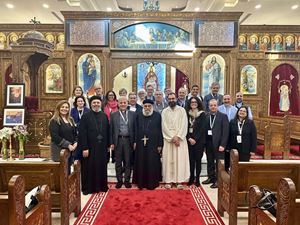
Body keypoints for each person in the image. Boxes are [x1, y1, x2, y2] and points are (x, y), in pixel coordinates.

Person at [78, 96, 109, 194]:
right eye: (94, 103)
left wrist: (108, 145)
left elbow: (107, 131)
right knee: (88, 167)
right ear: (91, 104)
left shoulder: (104, 116)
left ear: (101, 104)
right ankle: (88, 188)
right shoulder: (86, 116)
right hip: (89, 147)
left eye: (98, 102)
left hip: (102, 147)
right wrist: (85, 147)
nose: (96, 104)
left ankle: (102, 186)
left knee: (101, 166)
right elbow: (82, 133)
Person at [133, 99, 163, 190]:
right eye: (145, 106)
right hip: (140, 143)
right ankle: (141, 183)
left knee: (152, 162)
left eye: (149, 106)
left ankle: (152, 183)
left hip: (153, 144)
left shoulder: (157, 116)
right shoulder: (138, 115)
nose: (147, 108)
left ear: (152, 107)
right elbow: (135, 129)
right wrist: (134, 141)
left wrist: (160, 144)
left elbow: (160, 130)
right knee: (141, 162)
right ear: (143, 107)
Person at [161, 93, 190, 189]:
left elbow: (184, 124)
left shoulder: (182, 110)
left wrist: (178, 137)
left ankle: (179, 181)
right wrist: (172, 138)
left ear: (176, 99)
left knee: (179, 160)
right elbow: (163, 126)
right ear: (167, 100)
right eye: (169, 99)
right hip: (168, 140)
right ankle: (168, 181)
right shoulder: (164, 111)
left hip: (180, 140)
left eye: (173, 98)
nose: (171, 100)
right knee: (169, 160)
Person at [110, 96, 136, 189]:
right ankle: (119, 180)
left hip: (129, 140)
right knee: (118, 162)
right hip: (118, 140)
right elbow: (111, 130)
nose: (123, 104)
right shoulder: (113, 115)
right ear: (118, 104)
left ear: (127, 103)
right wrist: (111, 143)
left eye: (124, 102)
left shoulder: (133, 114)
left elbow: (135, 129)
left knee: (128, 161)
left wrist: (135, 141)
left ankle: (127, 180)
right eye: (121, 103)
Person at [202, 99, 229, 188]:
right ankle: (211, 177)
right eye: (211, 105)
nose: (213, 107)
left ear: (217, 106)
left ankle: (218, 180)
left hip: (219, 144)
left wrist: (223, 145)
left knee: (219, 163)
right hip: (209, 143)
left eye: (214, 105)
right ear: (208, 106)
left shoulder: (223, 116)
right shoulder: (206, 116)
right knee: (210, 161)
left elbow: (226, 132)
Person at [49, 100, 77, 166]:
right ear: (58, 108)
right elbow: (55, 136)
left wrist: (76, 142)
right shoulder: (54, 120)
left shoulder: (71, 119)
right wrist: (68, 145)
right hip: (59, 151)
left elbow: (75, 133)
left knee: (68, 171)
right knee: (61, 173)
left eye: (66, 107)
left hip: (70, 150)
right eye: (62, 107)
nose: (64, 109)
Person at [186, 97, 206, 187]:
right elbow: (185, 127)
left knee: (198, 161)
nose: (193, 103)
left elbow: (202, 129)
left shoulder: (202, 114)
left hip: (199, 142)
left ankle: (197, 178)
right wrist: (189, 138)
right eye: (192, 102)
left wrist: (195, 139)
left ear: (198, 103)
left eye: (195, 102)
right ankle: (191, 177)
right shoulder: (187, 114)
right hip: (189, 141)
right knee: (191, 161)